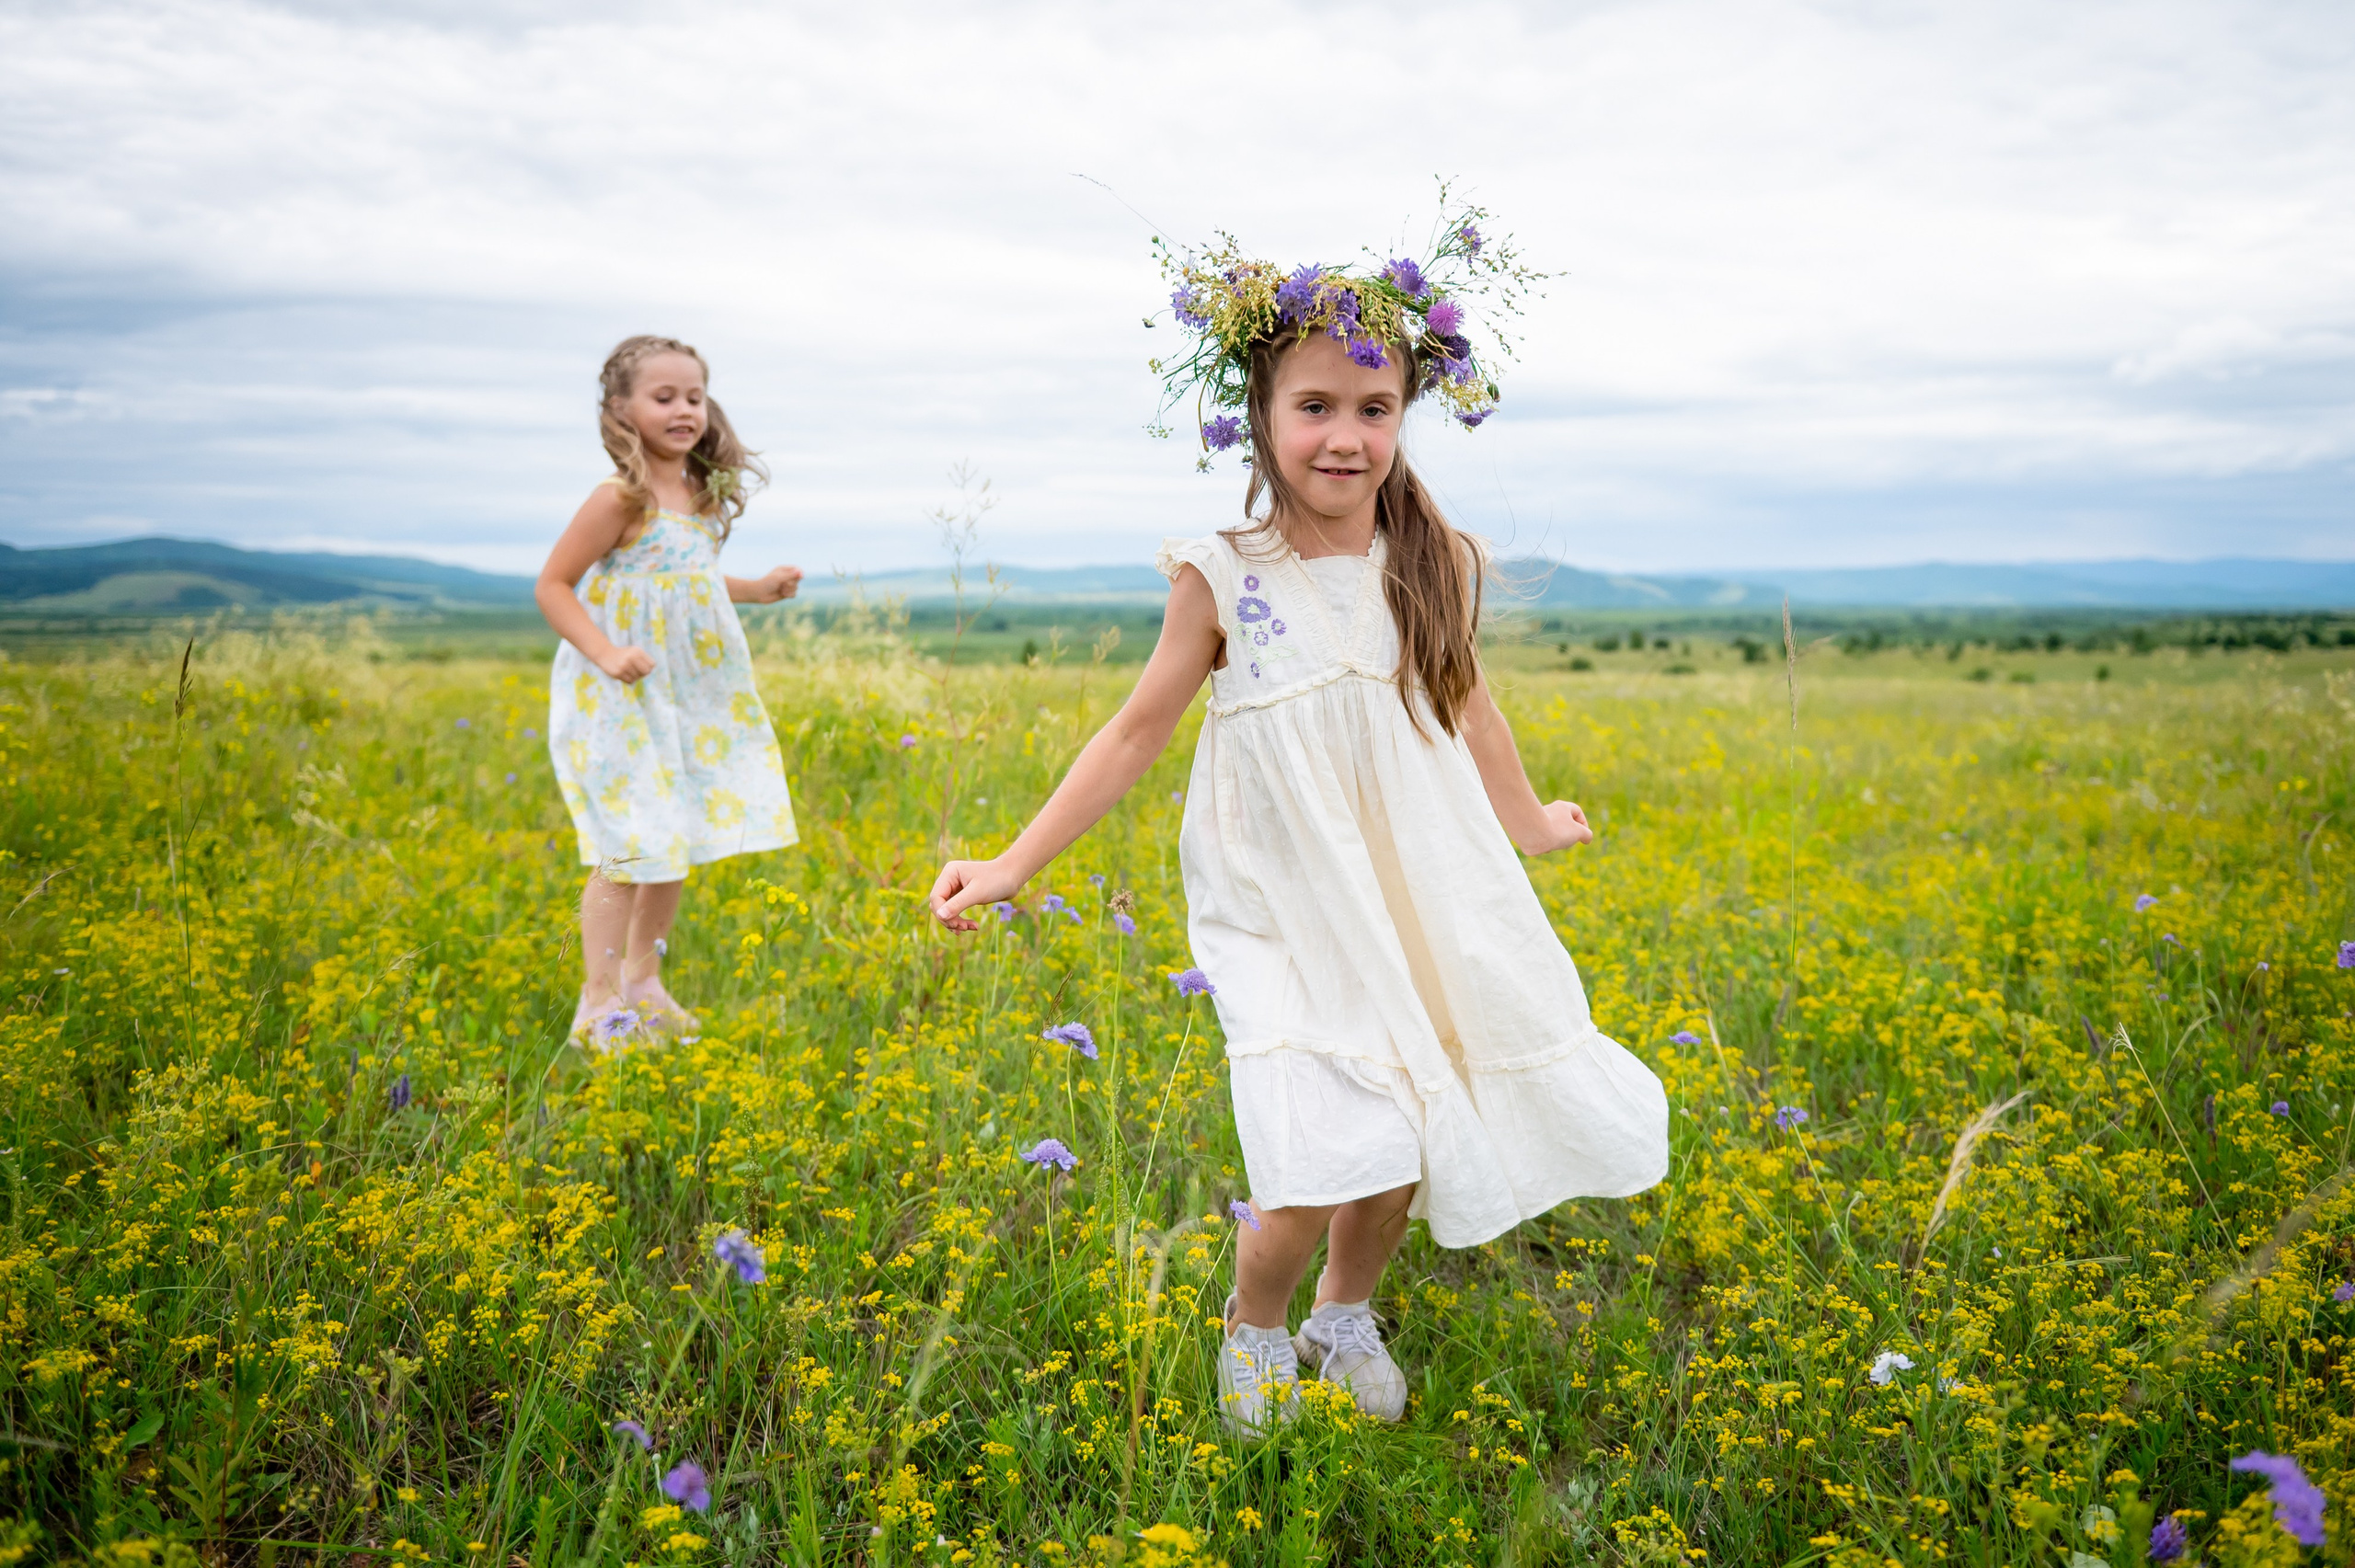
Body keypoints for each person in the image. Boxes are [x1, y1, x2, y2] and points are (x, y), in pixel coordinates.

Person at [927, 215, 1669, 1435]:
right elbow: (1133, 731)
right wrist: (1015, 862)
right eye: (1316, 405)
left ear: (1406, 417)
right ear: (1263, 418)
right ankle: (1256, 1328)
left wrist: (1530, 820)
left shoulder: (1430, 559)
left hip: (1411, 889)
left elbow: (1468, 701)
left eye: (1374, 410)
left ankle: (1343, 1312)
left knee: (1407, 1142)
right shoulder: (1222, 572)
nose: (1345, 435)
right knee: (1324, 1153)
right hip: (1282, 900)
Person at [536, 334, 802, 1047]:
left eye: (694, 395)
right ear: (622, 408)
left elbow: (689, 584)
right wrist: (604, 650)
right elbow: (553, 585)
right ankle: (597, 1003)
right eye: (665, 396)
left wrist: (757, 589)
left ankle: (643, 984)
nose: (685, 409)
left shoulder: (698, 494)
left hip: (689, 697)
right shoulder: (617, 498)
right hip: (621, 693)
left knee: (672, 834)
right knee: (628, 843)